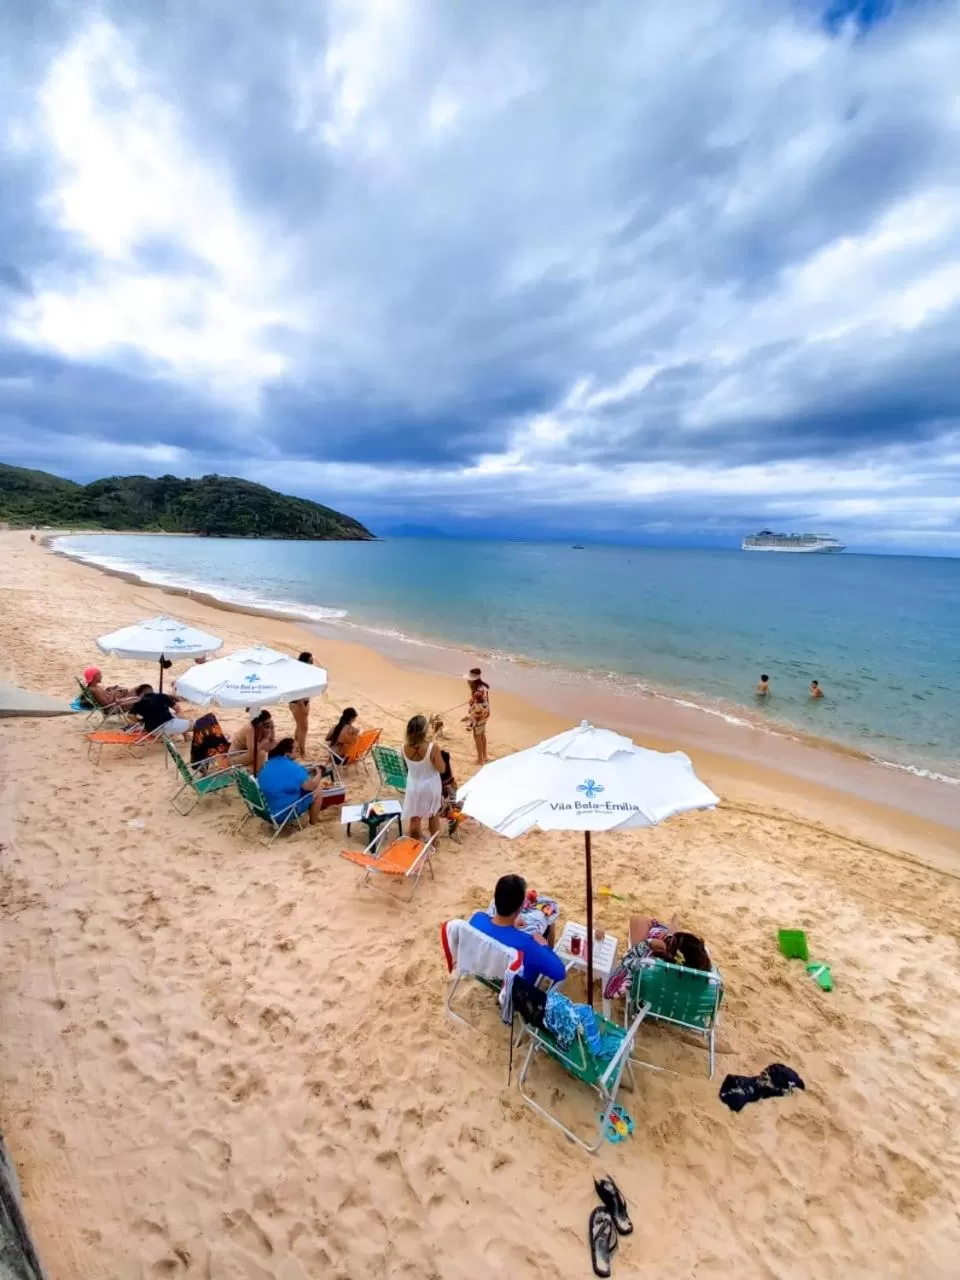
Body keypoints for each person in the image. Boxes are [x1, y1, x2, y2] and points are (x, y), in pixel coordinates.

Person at [469, 875, 567, 987]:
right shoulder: (529, 945)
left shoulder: (476, 919)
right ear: (521, 907)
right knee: (547, 921)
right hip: (513, 986)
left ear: (495, 900)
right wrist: (544, 946)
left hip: (484, 972)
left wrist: (512, 922)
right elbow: (560, 973)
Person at [256, 738, 327, 825]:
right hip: (280, 814)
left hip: (265, 811)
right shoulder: (293, 768)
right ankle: (314, 822)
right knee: (318, 790)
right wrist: (319, 773)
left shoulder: (269, 763)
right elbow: (311, 786)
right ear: (287, 753)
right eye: (296, 749)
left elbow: (283, 778)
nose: (299, 751)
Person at [401, 714, 444, 841]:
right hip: (430, 784)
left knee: (415, 815)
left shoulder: (403, 747)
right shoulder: (432, 748)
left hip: (413, 784)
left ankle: (415, 840)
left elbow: (408, 766)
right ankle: (434, 842)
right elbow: (442, 768)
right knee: (433, 814)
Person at [628, 914, 712, 972]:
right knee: (673, 933)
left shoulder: (652, 965)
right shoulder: (700, 970)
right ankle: (674, 923)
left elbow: (628, 961)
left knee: (638, 919)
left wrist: (648, 943)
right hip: (677, 952)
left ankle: (674, 923)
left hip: (653, 944)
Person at [128, 684, 192, 741]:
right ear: (151, 690)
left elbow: (130, 716)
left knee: (174, 717)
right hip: (165, 728)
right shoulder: (162, 696)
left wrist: (140, 720)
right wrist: (179, 716)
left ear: (140, 694)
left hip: (152, 731)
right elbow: (177, 708)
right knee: (194, 725)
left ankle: (186, 735)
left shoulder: (138, 703)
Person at [232, 709, 276, 774]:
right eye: (266, 724)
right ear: (259, 723)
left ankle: (257, 769)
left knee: (275, 745)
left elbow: (272, 739)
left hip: (245, 753)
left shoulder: (261, 728)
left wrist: (272, 727)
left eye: (269, 723)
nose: (267, 726)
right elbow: (253, 753)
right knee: (261, 754)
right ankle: (250, 772)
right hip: (234, 757)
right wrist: (264, 740)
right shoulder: (250, 729)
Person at [289, 652, 315, 758]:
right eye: (311, 660)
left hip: (298, 702)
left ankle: (296, 747)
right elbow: (298, 690)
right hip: (299, 703)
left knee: (299, 726)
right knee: (304, 728)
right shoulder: (300, 673)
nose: (313, 661)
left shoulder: (299, 671)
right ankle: (301, 751)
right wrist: (303, 705)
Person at [463, 667, 490, 765]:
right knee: (482, 734)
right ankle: (485, 756)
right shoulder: (482, 687)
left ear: (473, 680)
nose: (467, 681)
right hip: (486, 713)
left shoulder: (477, 692)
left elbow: (478, 709)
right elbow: (482, 702)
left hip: (480, 715)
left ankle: (480, 759)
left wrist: (469, 718)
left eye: (469, 680)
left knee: (477, 735)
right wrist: (472, 701)